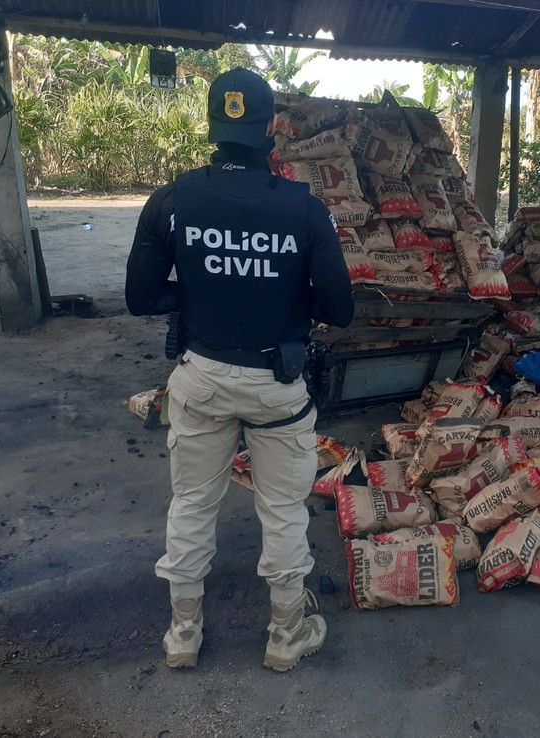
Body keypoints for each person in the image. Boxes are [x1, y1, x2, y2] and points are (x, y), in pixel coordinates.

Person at [125, 68, 354, 672]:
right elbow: (341, 309)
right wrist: (283, 301)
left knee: (192, 504)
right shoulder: (306, 211)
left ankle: (182, 633)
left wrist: (200, 295)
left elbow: (141, 297)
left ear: (212, 126)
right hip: (277, 385)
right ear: (271, 132)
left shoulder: (172, 200)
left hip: (199, 377)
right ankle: (285, 633)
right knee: (282, 510)